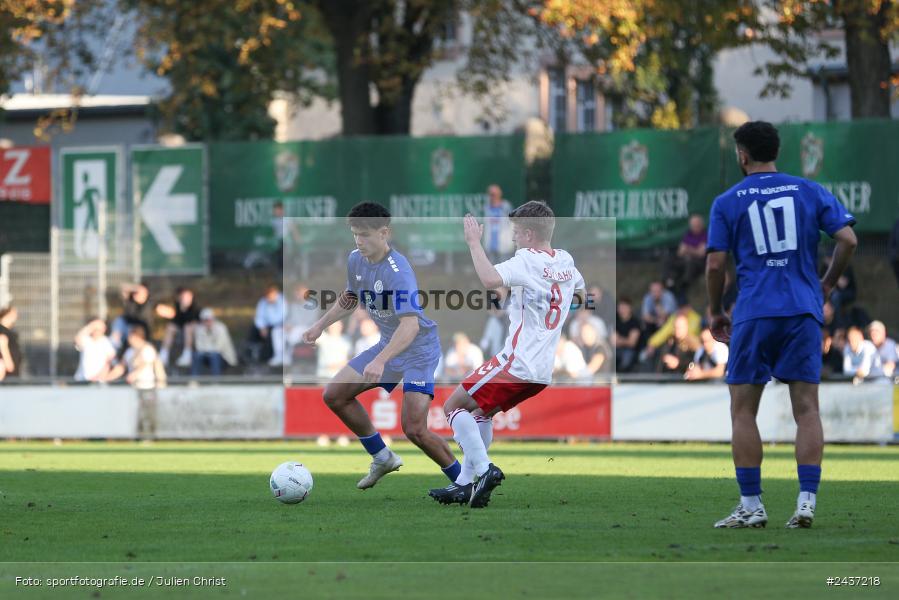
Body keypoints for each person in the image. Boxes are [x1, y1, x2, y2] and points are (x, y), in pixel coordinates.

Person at [706, 120, 857, 529]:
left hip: (754, 312)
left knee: (742, 411)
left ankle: (752, 506)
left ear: (742, 155)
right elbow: (848, 240)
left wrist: (715, 309)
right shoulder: (808, 190)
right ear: (775, 151)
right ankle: (806, 502)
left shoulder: (728, 200)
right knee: (807, 409)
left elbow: (716, 262)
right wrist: (825, 284)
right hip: (803, 311)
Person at [432, 201, 585, 508]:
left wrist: (474, 243)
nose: (514, 237)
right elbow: (579, 294)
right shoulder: (565, 261)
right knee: (481, 414)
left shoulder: (526, 258)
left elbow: (489, 279)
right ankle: (464, 484)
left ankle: (486, 469)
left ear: (529, 234)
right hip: (541, 371)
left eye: (516, 231)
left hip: (516, 362)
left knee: (453, 406)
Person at [302, 202, 460, 491]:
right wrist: (320, 325)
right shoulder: (355, 259)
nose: (359, 241)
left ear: (384, 232)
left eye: (365, 234)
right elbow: (350, 296)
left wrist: (380, 361)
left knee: (414, 429)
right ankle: (382, 456)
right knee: (335, 395)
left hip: (417, 349)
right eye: (355, 234)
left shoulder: (398, 273)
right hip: (390, 343)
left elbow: (410, 326)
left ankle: (466, 482)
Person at [107, 327, 167, 438]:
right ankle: (136, 435)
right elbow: (121, 367)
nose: (129, 340)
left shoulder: (148, 349)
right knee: (134, 413)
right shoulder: (130, 351)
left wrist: (134, 375)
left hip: (147, 387)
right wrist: (108, 378)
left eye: (131, 337)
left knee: (147, 413)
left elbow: (144, 364)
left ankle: (148, 436)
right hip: (133, 388)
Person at [663, 214, 708, 303]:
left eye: (697, 224)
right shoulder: (688, 235)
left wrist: (688, 249)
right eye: (693, 225)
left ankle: (683, 285)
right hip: (685, 259)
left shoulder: (706, 235)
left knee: (689, 261)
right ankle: (668, 281)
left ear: (701, 225)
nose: (695, 227)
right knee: (669, 258)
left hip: (699, 263)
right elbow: (680, 252)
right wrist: (692, 250)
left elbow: (701, 253)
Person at [156, 287, 201, 367]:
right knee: (170, 327)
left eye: (188, 297)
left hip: (192, 333)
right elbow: (176, 321)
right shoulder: (176, 306)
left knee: (188, 327)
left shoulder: (195, 308)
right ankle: (164, 354)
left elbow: (193, 321)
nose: (186, 299)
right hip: (180, 332)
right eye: (184, 297)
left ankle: (187, 355)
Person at [192, 308, 237, 376]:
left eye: (209, 319)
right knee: (197, 355)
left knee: (214, 355)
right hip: (206, 356)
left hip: (224, 358)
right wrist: (207, 350)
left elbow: (219, 347)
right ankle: (194, 380)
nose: (207, 322)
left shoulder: (221, 328)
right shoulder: (199, 329)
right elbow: (199, 346)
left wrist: (206, 350)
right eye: (205, 320)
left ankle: (216, 381)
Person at [110, 283, 151, 353]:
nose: (137, 294)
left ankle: (117, 348)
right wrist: (135, 288)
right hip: (125, 326)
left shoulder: (149, 303)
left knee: (130, 328)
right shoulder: (131, 301)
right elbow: (123, 288)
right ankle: (114, 346)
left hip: (138, 328)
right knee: (119, 320)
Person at [253, 284, 286, 367]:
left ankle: (272, 357)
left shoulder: (282, 301)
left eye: (270, 297)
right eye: (268, 297)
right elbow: (259, 316)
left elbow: (283, 316)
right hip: (266, 326)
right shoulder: (263, 302)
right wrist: (261, 327)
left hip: (279, 325)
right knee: (253, 331)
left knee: (274, 333)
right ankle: (253, 354)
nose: (269, 299)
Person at [74, 318, 116, 382]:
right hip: (81, 379)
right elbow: (77, 339)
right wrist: (91, 325)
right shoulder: (86, 340)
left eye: (100, 329)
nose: (98, 331)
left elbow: (109, 362)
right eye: (96, 329)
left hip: (98, 381)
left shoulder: (106, 342)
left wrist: (100, 376)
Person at [483, 184, 514, 263]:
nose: (492, 197)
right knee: (491, 269)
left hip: (504, 245)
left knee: (504, 269)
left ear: (499, 194)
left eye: (494, 194)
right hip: (490, 245)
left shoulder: (506, 206)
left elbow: (512, 224)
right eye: (490, 194)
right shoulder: (487, 208)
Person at [614, 297, 642, 373]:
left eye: (624, 307)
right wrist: (625, 340)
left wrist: (620, 340)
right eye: (620, 307)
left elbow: (632, 343)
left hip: (631, 351)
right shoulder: (615, 320)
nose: (622, 309)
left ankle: (623, 380)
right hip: (617, 349)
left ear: (630, 308)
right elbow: (613, 340)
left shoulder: (635, 322)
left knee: (627, 358)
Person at [0, 306, 22, 381]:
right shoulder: (2, 330)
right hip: (6, 371)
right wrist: (8, 362)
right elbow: (2, 343)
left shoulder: (8, 330)